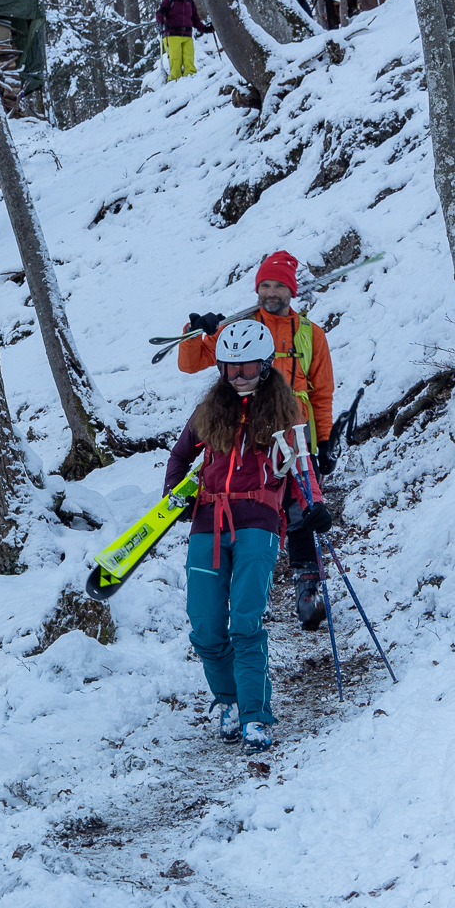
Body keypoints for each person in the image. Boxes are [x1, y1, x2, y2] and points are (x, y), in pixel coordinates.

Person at [165, 320, 333, 751]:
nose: (238, 375)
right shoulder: (210, 409)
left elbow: (300, 466)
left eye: (247, 367)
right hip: (208, 519)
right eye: (230, 368)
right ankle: (229, 700)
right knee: (204, 628)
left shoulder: (286, 410)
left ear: (265, 364)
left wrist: (313, 505)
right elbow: (181, 455)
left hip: (258, 519)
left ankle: (256, 715)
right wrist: (173, 496)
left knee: (245, 622)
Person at [177, 251, 338, 630]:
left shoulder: (311, 335)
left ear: (291, 290)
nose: (270, 292)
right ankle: (244, 588)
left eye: (278, 285)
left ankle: (308, 586)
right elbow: (191, 362)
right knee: (254, 511)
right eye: (264, 285)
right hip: (245, 434)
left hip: (294, 432)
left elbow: (323, 392)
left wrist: (326, 439)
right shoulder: (238, 327)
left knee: (301, 512)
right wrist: (197, 331)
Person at [156, 0, 213, 82]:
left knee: (189, 59)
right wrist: (162, 14)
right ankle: (174, 83)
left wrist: (205, 29)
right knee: (175, 60)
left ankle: (190, 81)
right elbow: (159, 16)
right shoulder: (169, 0)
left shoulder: (189, 2)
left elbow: (195, 20)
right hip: (172, 35)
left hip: (187, 35)